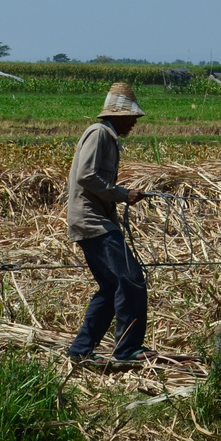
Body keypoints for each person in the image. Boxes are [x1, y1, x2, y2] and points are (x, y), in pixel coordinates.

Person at [65, 82, 151, 364]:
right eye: (132, 118)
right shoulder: (99, 133)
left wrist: (119, 195)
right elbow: (86, 176)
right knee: (131, 281)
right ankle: (127, 350)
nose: (134, 124)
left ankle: (80, 351)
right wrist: (123, 194)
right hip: (93, 221)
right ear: (118, 115)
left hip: (96, 219)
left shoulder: (107, 136)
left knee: (112, 286)